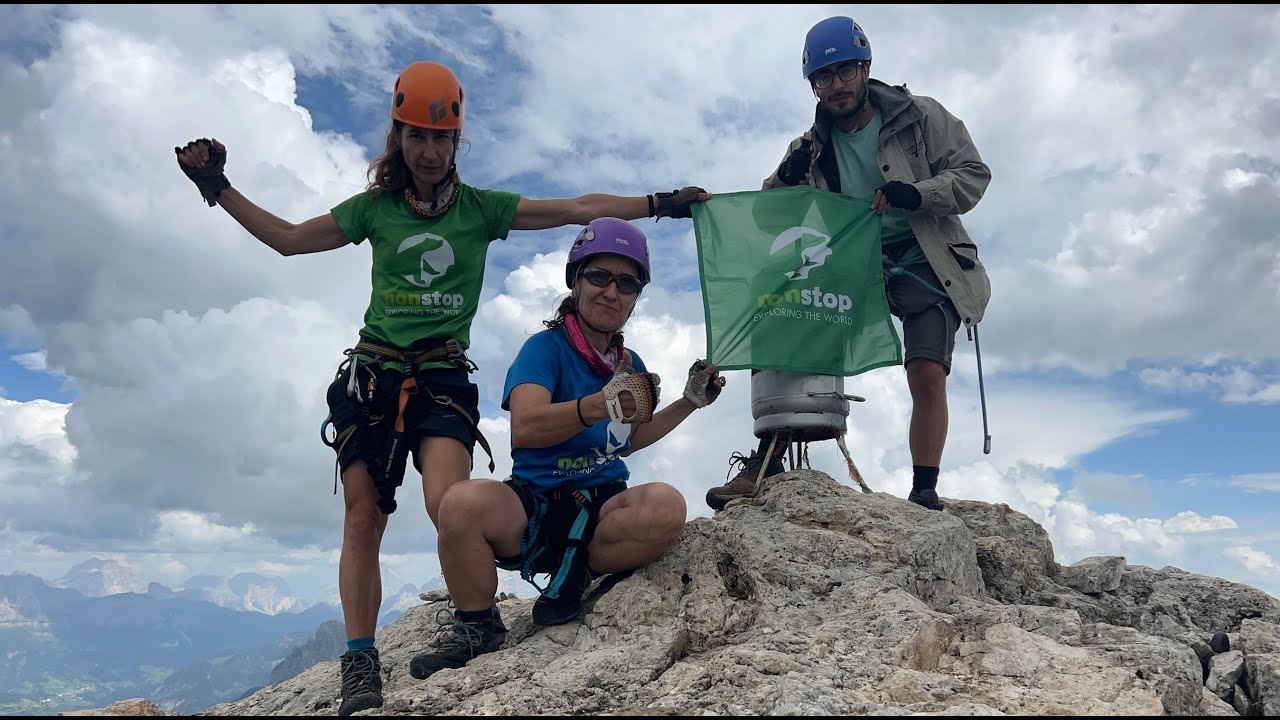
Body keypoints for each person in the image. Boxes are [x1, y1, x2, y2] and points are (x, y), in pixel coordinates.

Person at [174, 61, 707, 717]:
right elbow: (287, 241)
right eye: (416, 137)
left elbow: (580, 207)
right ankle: (361, 661)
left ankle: (478, 616)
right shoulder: (376, 209)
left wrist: (658, 205)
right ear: (398, 138)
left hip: (440, 374)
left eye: (441, 138)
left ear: (457, 143)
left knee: (448, 503)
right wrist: (218, 188)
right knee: (363, 516)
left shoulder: (481, 210)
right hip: (374, 371)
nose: (429, 152)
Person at [406, 217, 725, 681]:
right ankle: (476, 624)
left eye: (626, 283)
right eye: (598, 276)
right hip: (534, 506)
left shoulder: (629, 364)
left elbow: (629, 441)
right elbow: (527, 428)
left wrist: (690, 402)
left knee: (666, 506)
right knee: (460, 503)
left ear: (635, 298)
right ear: (576, 281)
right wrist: (598, 404)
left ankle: (576, 572)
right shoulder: (544, 350)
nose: (611, 292)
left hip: (600, 508)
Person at [704, 16, 991, 514]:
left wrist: (917, 194)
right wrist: (785, 181)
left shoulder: (920, 117)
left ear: (865, 68)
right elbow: (769, 217)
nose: (835, 85)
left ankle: (924, 490)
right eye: (823, 77)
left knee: (926, 372)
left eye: (844, 72)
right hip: (855, 263)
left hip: (927, 258)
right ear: (813, 85)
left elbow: (973, 176)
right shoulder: (809, 147)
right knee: (783, 309)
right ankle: (767, 459)